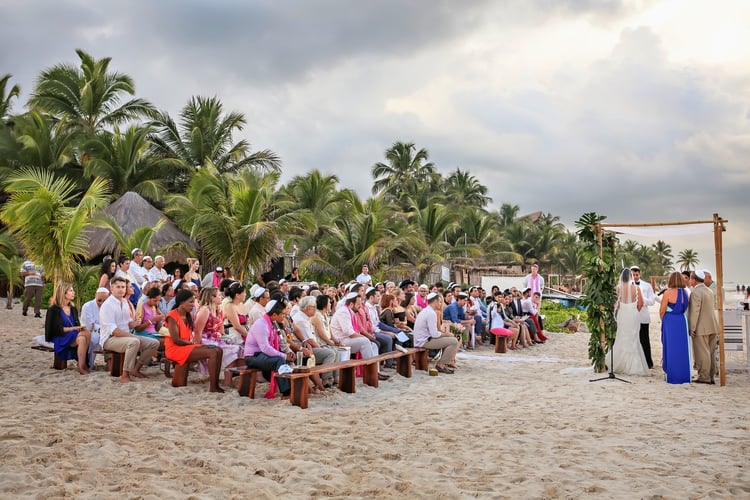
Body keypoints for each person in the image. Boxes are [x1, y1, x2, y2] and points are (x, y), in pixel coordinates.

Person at [99, 276, 160, 383]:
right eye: (118, 287)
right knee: (134, 341)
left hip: (124, 337)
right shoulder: (107, 305)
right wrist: (133, 336)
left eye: (123, 287)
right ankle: (125, 374)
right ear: (111, 288)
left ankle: (136, 369)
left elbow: (128, 324)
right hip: (109, 339)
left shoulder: (124, 303)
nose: (121, 289)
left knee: (154, 343)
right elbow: (114, 331)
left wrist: (135, 323)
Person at [165, 289, 224, 392]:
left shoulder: (189, 316)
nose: (193, 305)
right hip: (175, 348)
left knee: (218, 349)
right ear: (182, 302)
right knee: (213, 352)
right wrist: (192, 343)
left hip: (186, 346)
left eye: (194, 302)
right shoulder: (172, 315)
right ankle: (213, 386)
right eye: (191, 302)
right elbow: (176, 340)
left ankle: (215, 384)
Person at [244, 298, 298, 398]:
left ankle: (293, 386)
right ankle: (286, 392)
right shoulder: (262, 324)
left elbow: (281, 341)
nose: (284, 316)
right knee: (279, 360)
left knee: (285, 358)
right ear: (274, 315)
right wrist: (284, 356)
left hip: (263, 355)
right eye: (282, 314)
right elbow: (265, 348)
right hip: (252, 357)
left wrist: (289, 352)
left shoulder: (274, 323)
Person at [329, 292, 388, 380]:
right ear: (351, 304)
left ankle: (376, 371)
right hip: (341, 341)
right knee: (365, 341)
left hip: (347, 339)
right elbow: (349, 332)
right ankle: (371, 372)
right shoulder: (343, 312)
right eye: (358, 304)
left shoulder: (350, 311)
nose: (360, 306)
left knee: (374, 345)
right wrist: (364, 337)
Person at [194, 286, 244, 387]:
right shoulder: (205, 310)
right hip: (204, 339)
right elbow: (197, 331)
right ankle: (228, 381)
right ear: (212, 298)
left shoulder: (219, 310)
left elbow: (221, 331)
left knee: (239, 349)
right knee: (231, 350)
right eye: (219, 295)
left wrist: (224, 338)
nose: (221, 297)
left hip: (216, 338)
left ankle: (232, 379)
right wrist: (199, 347)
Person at [606, 268, 649, 376]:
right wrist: (634, 310)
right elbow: (641, 303)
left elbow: (616, 304)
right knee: (633, 338)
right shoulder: (636, 288)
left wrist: (622, 310)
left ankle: (619, 363)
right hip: (633, 315)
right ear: (631, 276)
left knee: (621, 337)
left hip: (622, 315)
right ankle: (632, 366)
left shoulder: (618, 288)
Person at [44, 282, 92, 374]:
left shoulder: (73, 309)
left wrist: (78, 328)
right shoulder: (53, 310)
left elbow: (76, 324)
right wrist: (74, 328)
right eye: (71, 290)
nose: (73, 292)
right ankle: (83, 364)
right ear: (63, 293)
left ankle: (81, 365)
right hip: (60, 336)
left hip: (73, 336)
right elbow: (57, 330)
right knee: (85, 334)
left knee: (83, 337)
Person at [412, 292, 458, 374]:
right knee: (454, 341)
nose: (440, 304)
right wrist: (447, 334)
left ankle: (443, 363)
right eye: (440, 302)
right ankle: (441, 364)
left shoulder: (426, 311)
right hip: (424, 341)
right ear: (435, 301)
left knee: (451, 339)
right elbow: (434, 334)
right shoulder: (431, 313)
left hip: (422, 339)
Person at [688, 270, 720, 384]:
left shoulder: (696, 292)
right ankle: (711, 376)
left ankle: (704, 377)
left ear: (694, 280)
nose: (690, 281)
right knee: (711, 352)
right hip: (712, 325)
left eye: (690, 279)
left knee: (702, 353)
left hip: (701, 327)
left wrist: (692, 327)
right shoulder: (709, 290)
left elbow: (695, 311)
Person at [660, 272, 692, 384]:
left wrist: (664, 320)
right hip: (682, 321)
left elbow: (662, 310)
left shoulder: (668, 293)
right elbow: (685, 307)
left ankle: (671, 374)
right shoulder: (685, 293)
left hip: (670, 321)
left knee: (670, 346)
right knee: (682, 348)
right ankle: (684, 375)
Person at [630, 265, 656, 369]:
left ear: (639, 274)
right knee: (632, 340)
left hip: (643, 317)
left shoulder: (647, 285)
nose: (635, 276)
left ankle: (648, 362)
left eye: (637, 274)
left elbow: (652, 301)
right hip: (631, 317)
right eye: (633, 274)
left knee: (644, 340)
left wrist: (640, 298)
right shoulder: (626, 285)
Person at [80, 287, 109, 368]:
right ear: (95, 296)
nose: (102, 303)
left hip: (104, 331)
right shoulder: (87, 306)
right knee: (94, 339)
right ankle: (89, 363)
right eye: (99, 300)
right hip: (89, 331)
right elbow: (90, 325)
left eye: (104, 301)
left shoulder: (109, 306)